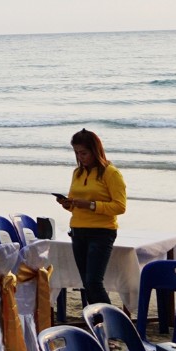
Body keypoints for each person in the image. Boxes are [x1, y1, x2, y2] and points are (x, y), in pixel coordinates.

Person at [54, 127, 126, 308]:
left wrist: (91, 205)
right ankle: (98, 322)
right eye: (76, 153)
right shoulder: (77, 173)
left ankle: (112, 323)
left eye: (84, 153)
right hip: (78, 230)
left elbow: (119, 206)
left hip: (101, 232)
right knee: (86, 283)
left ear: (95, 151)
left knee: (94, 281)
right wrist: (68, 204)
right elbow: (76, 205)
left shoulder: (111, 173)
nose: (80, 157)